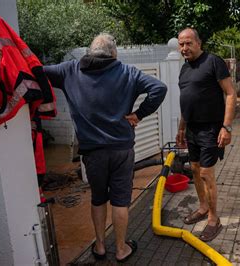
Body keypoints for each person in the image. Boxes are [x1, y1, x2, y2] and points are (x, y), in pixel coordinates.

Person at [43, 33, 167, 262]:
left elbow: (37, 71)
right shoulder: (128, 73)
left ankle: (100, 247)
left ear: (90, 52)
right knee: (121, 200)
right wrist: (138, 115)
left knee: (98, 198)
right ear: (114, 53)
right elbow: (159, 88)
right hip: (121, 149)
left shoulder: (70, 70)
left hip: (92, 153)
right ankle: (121, 249)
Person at [176, 28, 237, 242]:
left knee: (205, 174)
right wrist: (182, 127)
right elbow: (187, 101)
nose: (184, 48)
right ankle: (202, 207)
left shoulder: (213, 62)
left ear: (198, 43)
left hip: (211, 128)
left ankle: (213, 220)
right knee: (193, 169)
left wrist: (226, 127)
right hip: (191, 127)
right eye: (181, 44)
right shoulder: (184, 69)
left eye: (188, 43)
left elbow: (230, 93)